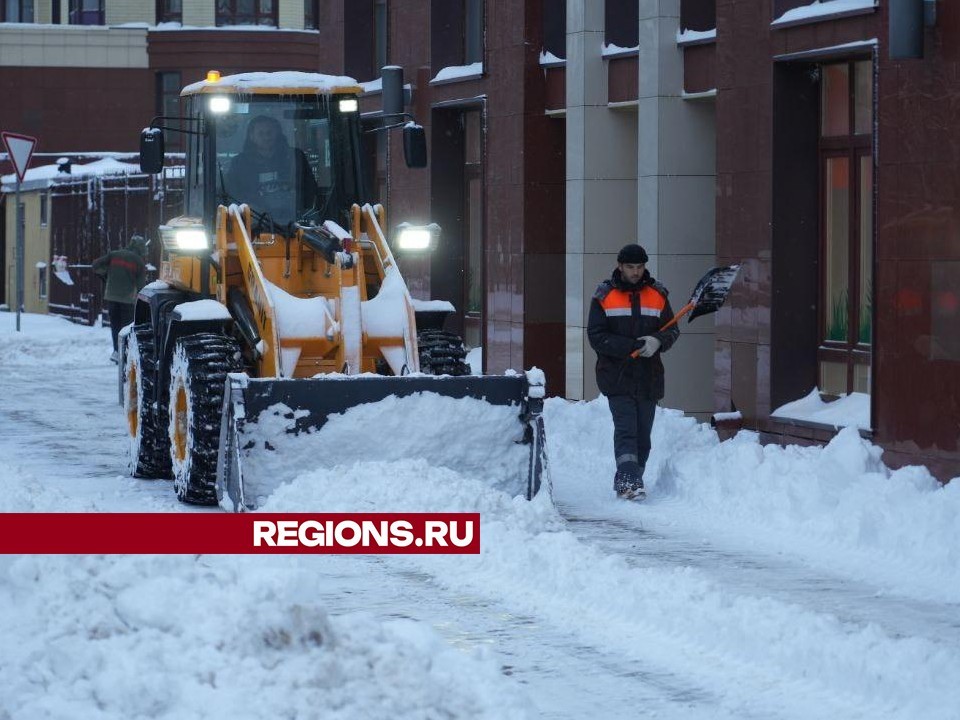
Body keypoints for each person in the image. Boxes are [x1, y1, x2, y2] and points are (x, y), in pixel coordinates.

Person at [587, 244, 680, 500]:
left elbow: (672, 330)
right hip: (616, 375)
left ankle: (632, 478)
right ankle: (628, 481)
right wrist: (631, 346)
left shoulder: (658, 295)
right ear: (620, 266)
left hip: (649, 377)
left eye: (640, 267)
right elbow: (596, 336)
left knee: (643, 436)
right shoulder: (604, 296)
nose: (636, 272)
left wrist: (657, 342)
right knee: (627, 429)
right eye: (630, 267)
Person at [224, 114, 319, 223]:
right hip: (253, 224)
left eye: (269, 133)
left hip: (296, 223)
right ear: (251, 136)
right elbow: (233, 194)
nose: (266, 137)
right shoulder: (239, 163)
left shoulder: (295, 158)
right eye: (261, 133)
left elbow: (310, 190)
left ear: (278, 134)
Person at [93, 234, 148, 363]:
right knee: (126, 327)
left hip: (111, 297)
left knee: (115, 326)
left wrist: (106, 275)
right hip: (127, 300)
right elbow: (141, 287)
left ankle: (117, 351)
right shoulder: (138, 261)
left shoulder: (114, 255)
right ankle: (125, 353)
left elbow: (95, 265)